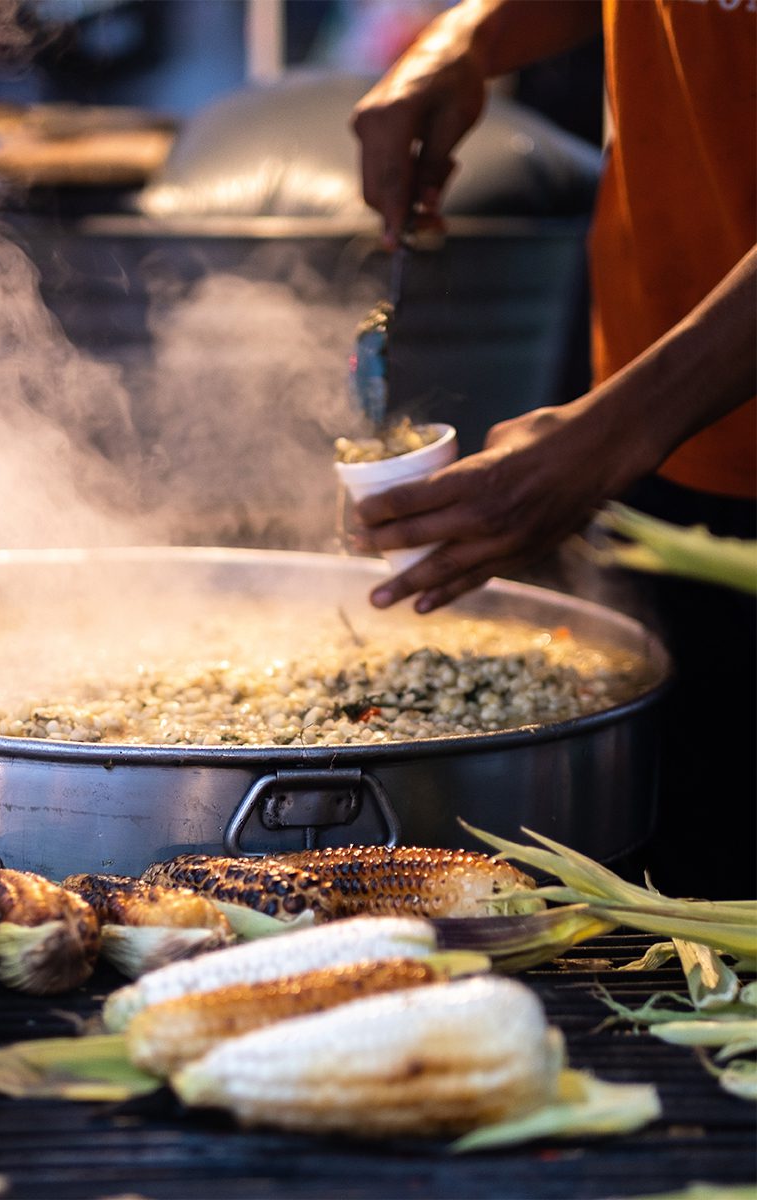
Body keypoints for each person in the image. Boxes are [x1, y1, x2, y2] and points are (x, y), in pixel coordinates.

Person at [348, 0, 756, 899]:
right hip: (658, 390)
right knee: (669, 876)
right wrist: (468, 41)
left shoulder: (618, 435)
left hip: (664, 417)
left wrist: (611, 435)